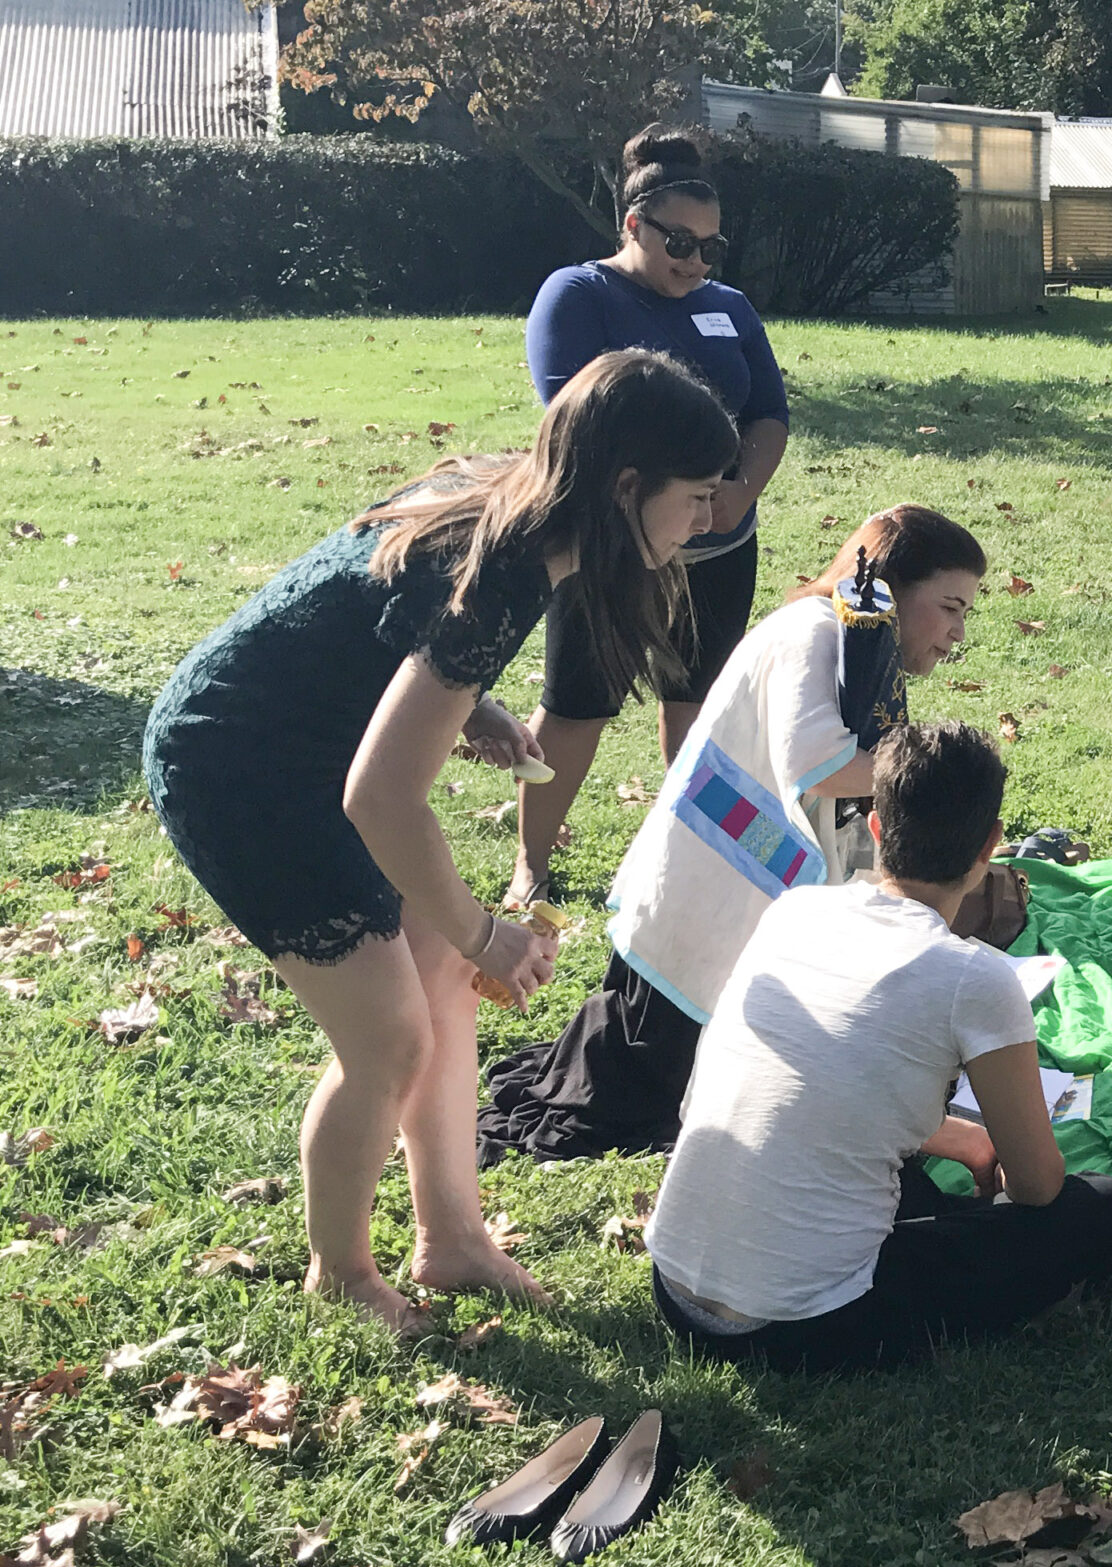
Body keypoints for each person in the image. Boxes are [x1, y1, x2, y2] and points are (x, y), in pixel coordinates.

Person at [142, 350, 734, 1333]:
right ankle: (339, 1272)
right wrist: (482, 933)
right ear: (627, 487)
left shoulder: (521, 505)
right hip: (238, 769)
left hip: (306, 745)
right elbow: (383, 798)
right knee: (389, 1034)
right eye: (698, 495)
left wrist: (469, 704)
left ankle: (451, 1241)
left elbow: (372, 630)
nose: (709, 518)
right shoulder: (502, 575)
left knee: (438, 990)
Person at [477, 506, 988, 1165]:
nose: (957, 632)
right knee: (646, 1091)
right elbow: (822, 763)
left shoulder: (862, 639)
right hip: (703, 897)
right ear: (894, 581)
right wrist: (930, 778)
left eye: (965, 614)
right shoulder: (816, 631)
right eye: (950, 607)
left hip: (740, 897)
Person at [646, 722, 1112, 1372]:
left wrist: (960, 1139)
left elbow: (827, 1081)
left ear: (877, 827)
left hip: (674, 1284)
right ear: (992, 846)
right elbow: (1040, 1186)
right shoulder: (977, 976)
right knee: (1105, 1208)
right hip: (801, 1326)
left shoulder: (795, 911)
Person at [511, 123, 791, 909]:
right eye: (679, 243)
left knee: (698, 700)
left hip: (720, 543)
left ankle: (691, 848)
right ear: (634, 225)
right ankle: (532, 863)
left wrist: (738, 491)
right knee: (578, 703)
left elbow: (768, 414)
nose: (696, 262)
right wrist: (649, 512)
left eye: (711, 247)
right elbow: (575, 420)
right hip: (610, 549)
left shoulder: (728, 308)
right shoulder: (579, 296)